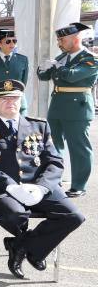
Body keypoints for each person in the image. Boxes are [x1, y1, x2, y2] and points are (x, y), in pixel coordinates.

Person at [0, 80, 84, 278]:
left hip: (37, 186)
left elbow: (55, 162)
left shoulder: (38, 125)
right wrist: (12, 187)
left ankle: (22, 245)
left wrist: (42, 188)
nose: (10, 101)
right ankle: (31, 246)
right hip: (0, 188)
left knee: (74, 216)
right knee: (16, 215)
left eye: (14, 97)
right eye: (3, 98)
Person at [37, 22, 97, 198]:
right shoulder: (62, 57)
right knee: (53, 146)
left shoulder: (91, 59)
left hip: (77, 107)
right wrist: (43, 67)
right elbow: (44, 77)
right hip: (57, 105)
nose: (59, 42)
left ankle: (79, 185)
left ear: (75, 38)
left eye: (62, 39)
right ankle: (54, 179)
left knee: (78, 148)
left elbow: (72, 76)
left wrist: (56, 66)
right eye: (58, 39)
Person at [0, 29, 29, 117]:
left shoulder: (23, 60)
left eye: (14, 41)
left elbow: (23, 83)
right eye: (8, 41)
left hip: (17, 104)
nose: (12, 44)